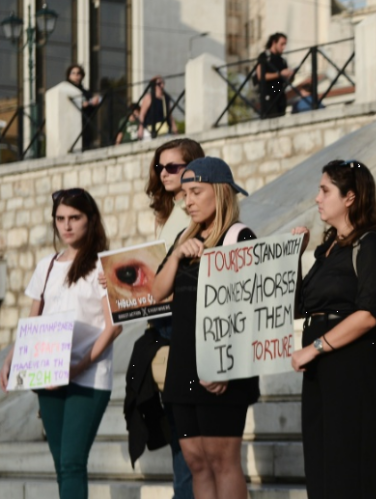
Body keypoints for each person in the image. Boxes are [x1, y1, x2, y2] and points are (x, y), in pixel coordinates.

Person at [0, 188, 123, 499]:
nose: (66, 226)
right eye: (60, 219)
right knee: (61, 466)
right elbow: (33, 321)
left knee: (71, 463)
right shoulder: (47, 266)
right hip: (49, 374)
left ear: (90, 219)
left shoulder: (103, 266)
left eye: (74, 218)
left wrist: (78, 367)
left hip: (89, 377)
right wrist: (11, 359)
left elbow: (114, 327)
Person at [151, 157, 258, 499]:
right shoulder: (185, 239)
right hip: (184, 364)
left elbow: (251, 309)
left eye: (196, 192)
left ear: (221, 192)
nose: (188, 201)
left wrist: (227, 366)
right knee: (196, 462)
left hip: (223, 365)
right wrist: (177, 255)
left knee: (222, 461)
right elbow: (156, 292)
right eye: (185, 194)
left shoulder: (239, 237)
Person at [290, 160, 376, 498]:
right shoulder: (327, 248)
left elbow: (368, 315)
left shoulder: (371, 244)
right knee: (320, 465)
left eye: (325, 190)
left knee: (349, 467)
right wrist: (294, 258)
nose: (317, 198)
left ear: (350, 197)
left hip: (351, 364)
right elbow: (300, 307)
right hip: (319, 369)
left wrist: (314, 347)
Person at [144, 138, 206, 497]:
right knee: (181, 440)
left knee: (190, 445)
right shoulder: (170, 213)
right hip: (163, 322)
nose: (164, 173)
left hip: (181, 324)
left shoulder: (193, 215)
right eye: (160, 166)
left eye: (172, 166)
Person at [256, 32, 293, 118]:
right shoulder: (264, 56)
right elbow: (260, 76)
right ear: (274, 42)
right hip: (269, 97)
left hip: (281, 97)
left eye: (285, 44)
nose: (284, 47)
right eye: (282, 44)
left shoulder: (282, 60)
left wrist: (290, 75)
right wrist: (279, 74)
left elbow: (287, 81)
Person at [67, 64, 102, 150]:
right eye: (73, 73)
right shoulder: (67, 89)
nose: (76, 76)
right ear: (69, 76)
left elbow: (97, 99)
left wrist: (95, 101)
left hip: (85, 125)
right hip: (70, 126)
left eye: (78, 73)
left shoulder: (85, 92)